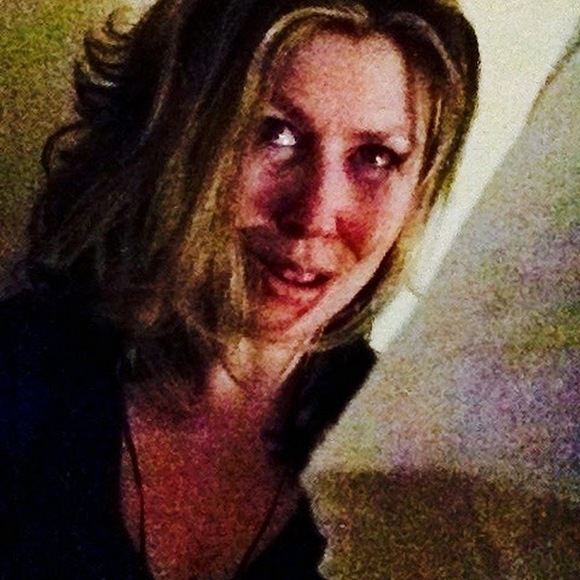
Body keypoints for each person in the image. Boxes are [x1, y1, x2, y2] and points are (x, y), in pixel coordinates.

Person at [0, 0, 479, 578]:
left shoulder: (416, 464)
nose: (316, 214)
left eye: (375, 157)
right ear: (175, 140)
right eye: (274, 133)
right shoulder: (20, 374)